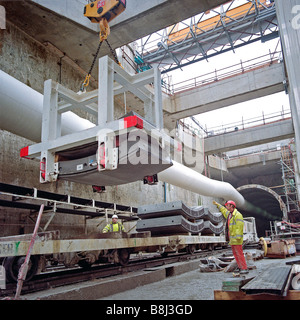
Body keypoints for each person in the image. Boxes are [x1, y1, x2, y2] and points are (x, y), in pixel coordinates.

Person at [213, 200, 248, 274]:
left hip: (236, 239)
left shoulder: (238, 215)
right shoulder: (229, 214)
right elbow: (223, 210)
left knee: (239, 254)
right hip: (232, 239)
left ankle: (244, 268)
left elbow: (239, 227)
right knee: (236, 254)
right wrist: (218, 205)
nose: (226, 206)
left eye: (227, 205)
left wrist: (238, 238)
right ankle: (240, 267)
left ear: (232, 206)